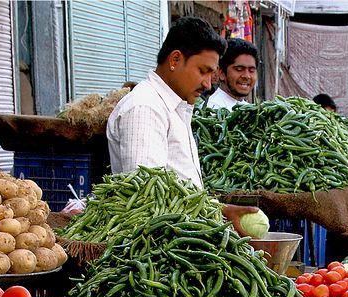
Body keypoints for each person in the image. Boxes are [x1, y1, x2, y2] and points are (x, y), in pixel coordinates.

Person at [106, 17, 256, 232]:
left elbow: (177, 190)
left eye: (211, 74)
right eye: (202, 71)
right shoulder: (145, 108)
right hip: (158, 248)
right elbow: (148, 199)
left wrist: (217, 210)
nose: (207, 83)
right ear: (175, 59)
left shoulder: (173, 106)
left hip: (179, 235)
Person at [205, 38, 257, 110]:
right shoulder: (211, 109)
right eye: (239, 69)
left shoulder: (251, 109)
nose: (246, 76)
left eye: (251, 70)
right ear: (221, 73)